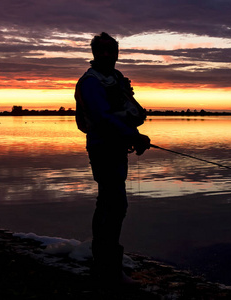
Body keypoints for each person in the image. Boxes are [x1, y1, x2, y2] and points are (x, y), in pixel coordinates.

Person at [74, 32, 150, 286]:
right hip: (102, 149)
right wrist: (134, 136)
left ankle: (107, 266)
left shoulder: (114, 79)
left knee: (113, 204)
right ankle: (107, 269)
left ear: (117, 53)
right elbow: (104, 118)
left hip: (117, 148)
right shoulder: (91, 82)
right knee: (112, 204)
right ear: (94, 53)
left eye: (111, 50)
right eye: (101, 50)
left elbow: (127, 113)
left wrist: (133, 136)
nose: (107, 55)